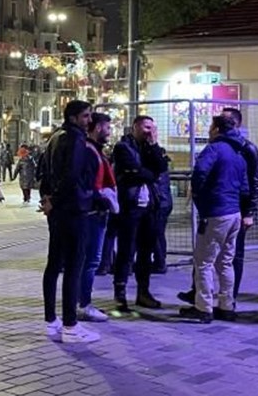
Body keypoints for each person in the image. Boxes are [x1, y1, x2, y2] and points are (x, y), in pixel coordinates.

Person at [41, 100, 101, 343]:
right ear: (74, 117)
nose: (89, 121)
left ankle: (51, 320)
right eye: (86, 116)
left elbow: (44, 172)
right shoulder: (76, 138)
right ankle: (70, 325)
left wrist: (47, 199)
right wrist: (55, 199)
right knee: (75, 266)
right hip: (73, 209)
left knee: (54, 263)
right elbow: (72, 175)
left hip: (57, 211)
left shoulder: (55, 136)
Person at [179, 115, 250, 323]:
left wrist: (200, 198)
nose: (209, 131)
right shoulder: (239, 152)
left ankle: (204, 307)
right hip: (234, 212)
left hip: (216, 212)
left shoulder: (214, 149)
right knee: (226, 262)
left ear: (217, 129)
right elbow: (245, 187)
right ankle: (227, 306)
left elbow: (199, 173)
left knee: (204, 262)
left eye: (210, 127)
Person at [111, 115, 169, 311]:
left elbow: (161, 168)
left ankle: (143, 293)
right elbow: (134, 170)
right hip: (130, 205)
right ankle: (120, 293)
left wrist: (153, 147)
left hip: (150, 206)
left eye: (152, 128)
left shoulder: (152, 148)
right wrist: (149, 173)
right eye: (145, 127)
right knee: (126, 251)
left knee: (146, 252)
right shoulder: (123, 147)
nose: (149, 132)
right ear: (135, 127)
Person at [79, 112, 118, 323]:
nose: (109, 132)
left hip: (97, 210)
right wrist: (100, 199)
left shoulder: (95, 150)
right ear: (96, 128)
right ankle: (83, 304)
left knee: (90, 260)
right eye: (107, 128)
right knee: (90, 260)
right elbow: (87, 182)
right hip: (93, 212)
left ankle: (83, 302)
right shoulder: (89, 151)